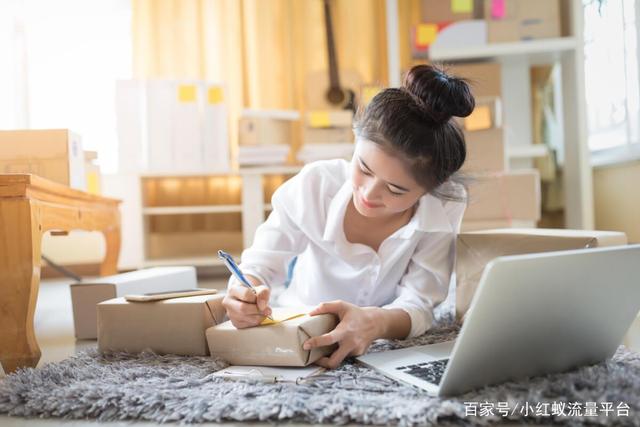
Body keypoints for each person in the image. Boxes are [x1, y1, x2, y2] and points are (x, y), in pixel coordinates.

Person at [222, 64, 474, 369]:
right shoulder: (315, 185)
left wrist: (375, 323)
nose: (368, 194)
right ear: (355, 143)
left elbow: (420, 302)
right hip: (298, 331)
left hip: (383, 344)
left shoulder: (443, 206)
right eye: (363, 169)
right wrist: (243, 293)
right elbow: (261, 265)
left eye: (395, 190)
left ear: (431, 189)